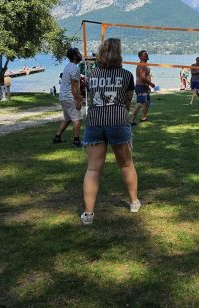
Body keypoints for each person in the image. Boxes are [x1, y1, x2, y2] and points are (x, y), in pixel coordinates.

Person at [80, 38, 139, 225]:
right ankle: (134, 202)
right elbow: (128, 102)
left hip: (95, 121)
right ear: (119, 53)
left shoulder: (92, 75)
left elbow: (89, 98)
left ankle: (88, 214)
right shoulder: (127, 75)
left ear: (101, 53)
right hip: (118, 121)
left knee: (93, 168)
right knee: (126, 165)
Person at [52, 47, 84, 147]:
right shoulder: (75, 68)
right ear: (75, 56)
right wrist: (78, 100)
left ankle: (57, 137)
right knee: (77, 118)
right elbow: (74, 87)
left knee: (67, 119)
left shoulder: (68, 66)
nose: (80, 55)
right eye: (78, 53)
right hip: (70, 97)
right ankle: (76, 141)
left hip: (63, 96)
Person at [130, 50, 154, 126]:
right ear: (141, 57)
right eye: (145, 54)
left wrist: (148, 86)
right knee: (139, 103)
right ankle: (131, 120)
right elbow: (142, 77)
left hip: (145, 86)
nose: (147, 55)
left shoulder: (145, 64)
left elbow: (146, 76)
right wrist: (151, 84)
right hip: (140, 86)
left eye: (147, 53)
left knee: (147, 102)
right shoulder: (141, 64)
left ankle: (144, 117)